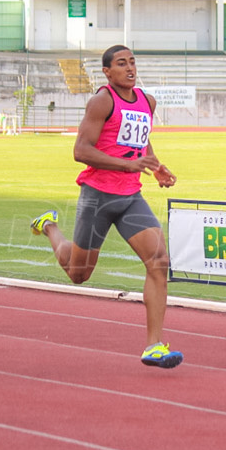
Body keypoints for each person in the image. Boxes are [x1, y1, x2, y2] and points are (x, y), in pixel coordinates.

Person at [30, 45, 182, 369]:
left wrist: (155, 167)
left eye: (133, 62)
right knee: (78, 274)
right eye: (121, 64)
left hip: (131, 198)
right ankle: (49, 227)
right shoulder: (102, 101)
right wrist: (124, 166)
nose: (130, 68)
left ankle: (153, 346)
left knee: (159, 261)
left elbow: (140, 141)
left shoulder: (146, 101)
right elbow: (80, 150)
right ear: (107, 72)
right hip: (98, 196)